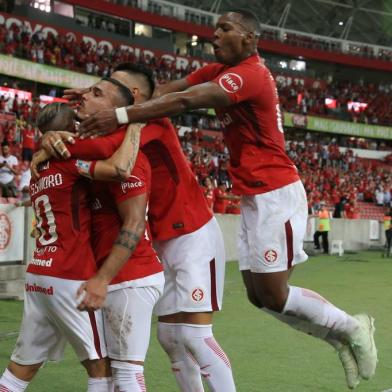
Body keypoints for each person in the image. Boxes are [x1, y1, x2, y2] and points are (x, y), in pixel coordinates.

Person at [70, 10, 378, 389]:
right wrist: (103, 100)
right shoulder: (217, 68)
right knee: (258, 297)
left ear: (249, 38)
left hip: (275, 191)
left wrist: (118, 113)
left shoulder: (250, 74)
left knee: (271, 295)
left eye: (224, 28)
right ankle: (339, 337)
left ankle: (350, 327)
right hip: (252, 196)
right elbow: (169, 90)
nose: (214, 34)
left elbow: (185, 101)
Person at [45, 63, 236, 392]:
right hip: (161, 241)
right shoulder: (119, 126)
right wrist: (56, 129)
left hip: (193, 234)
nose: (103, 89)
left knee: (194, 335)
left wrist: (54, 142)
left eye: (111, 86)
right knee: (169, 337)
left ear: (132, 96)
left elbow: (108, 153)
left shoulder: (150, 120)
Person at [0, 93, 140, 392]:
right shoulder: (69, 162)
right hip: (69, 275)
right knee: (100, 366)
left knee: (21, 367)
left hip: (39, 274)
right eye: (76, 122)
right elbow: (119, 169)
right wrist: (135, 124)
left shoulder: (37, 172)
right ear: (68, 130)